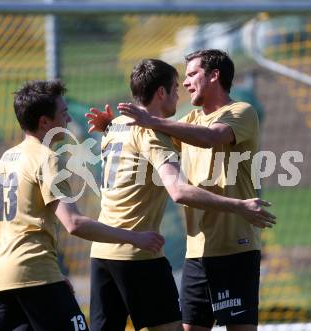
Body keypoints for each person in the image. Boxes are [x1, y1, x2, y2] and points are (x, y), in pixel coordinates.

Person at [86, 59, 275, 331]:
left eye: (191, 75)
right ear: (161, 92)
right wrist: (238, 205)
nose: (184, 86)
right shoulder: (157, 129)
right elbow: (177, 189)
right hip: (163, 251)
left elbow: (211, 136)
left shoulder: (241, 111)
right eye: (178, 83)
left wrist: (118, 124)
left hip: (234, 246)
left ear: (214, 76)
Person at [0, 79, 165, 331]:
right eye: (64, 114)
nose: (69, 120)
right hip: (34, 273)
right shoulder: (47, 158)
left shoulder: (5, 160)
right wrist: (134, 238)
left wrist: (56, 275)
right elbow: (74, 223)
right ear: (44, 122)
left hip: (0, 278)